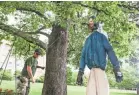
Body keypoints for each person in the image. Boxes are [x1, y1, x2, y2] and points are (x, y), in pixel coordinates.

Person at [76, 18, 123, 95]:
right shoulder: (88, 40)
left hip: (100, 71)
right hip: (92, 72)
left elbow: (110, 51)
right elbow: (83, 57)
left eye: (91, 25)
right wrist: (80, 72)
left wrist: (116, 68)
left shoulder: (100, 37)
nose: (89, 27)